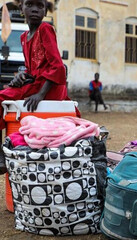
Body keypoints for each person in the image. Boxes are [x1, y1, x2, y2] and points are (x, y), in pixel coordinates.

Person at [0, 0, 77, 174]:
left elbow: (57, 66)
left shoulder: (45, 29)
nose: (35, 10)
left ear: (45, 10)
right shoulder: (23, 37)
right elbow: (32, 68)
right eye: (30, 5)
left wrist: (40, 95)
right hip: (36, 83)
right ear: (22, 8)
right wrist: (21, 76)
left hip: (49, 87)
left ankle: (1, 156)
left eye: (40, 6)